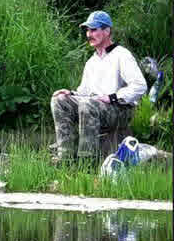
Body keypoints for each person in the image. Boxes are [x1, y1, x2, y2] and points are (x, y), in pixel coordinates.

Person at [50, 11, 147, 162]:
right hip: (94, 105)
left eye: (94, 29)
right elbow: (85, 92)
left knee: (88, 104)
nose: (89, 34)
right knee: (59, 100)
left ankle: (87, 160)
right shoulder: (91, 61)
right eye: (88, 30)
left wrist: (112, 97)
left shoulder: (122, 55)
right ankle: (65, 156)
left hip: (120, 109)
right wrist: (71, 93)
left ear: (107, 31)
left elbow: (140, 86)